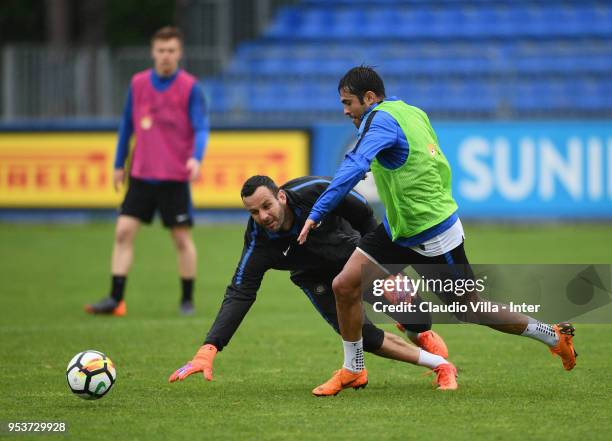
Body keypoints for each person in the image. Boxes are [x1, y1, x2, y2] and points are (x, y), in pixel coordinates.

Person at [297, 66, 577, 396]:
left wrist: (318, 211)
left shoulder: (381, 119)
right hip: (399, 228)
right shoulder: (411, 111)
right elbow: (438, 162)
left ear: (370, 98)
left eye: (348, 103)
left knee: (470, 308)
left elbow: (356, 164)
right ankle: (353, 368)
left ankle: (553, 335)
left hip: (432, 232)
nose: (345, 111)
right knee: (344, 285)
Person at [169, 175, 457, 390]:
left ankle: (415, 330)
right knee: (363, 337)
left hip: (354, 258)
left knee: (419, 318)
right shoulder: (258, 242)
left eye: (266, 206)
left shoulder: (315, 191)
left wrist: (382, 262)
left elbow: (363, 212)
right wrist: (209, 349)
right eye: (254, 212)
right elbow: (240, 291)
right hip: (315, 278)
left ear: (280, 196)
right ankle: (439, 366)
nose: (263, 217)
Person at [85, 26, 209, 316]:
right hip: (141, 175)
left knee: (181, 239)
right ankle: (116, 299)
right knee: (123, 233)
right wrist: (119, 164)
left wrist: (196, 158)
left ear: (179, 53)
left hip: (174, 178)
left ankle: (186, 299)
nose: (166, 56)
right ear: (153, 52)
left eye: (171, 51)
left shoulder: (191, 87)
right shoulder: (138, 83)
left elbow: (201, 127)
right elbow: (127, 125)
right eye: (161, 50)